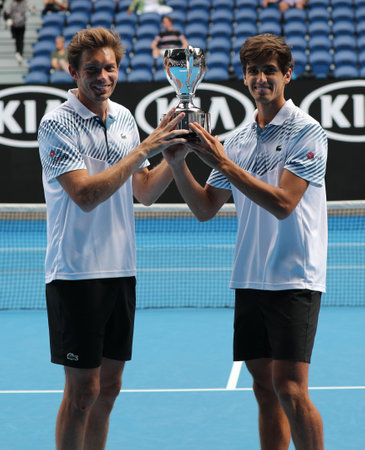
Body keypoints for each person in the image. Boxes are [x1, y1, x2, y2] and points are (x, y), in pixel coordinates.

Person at [164, 33, 327, 450]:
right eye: (253, 71)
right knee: (264, 389)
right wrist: (178, 164)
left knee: (291, 389)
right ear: (244, 77)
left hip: (294, 276)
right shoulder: (236, 141)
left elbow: (284, 203)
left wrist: (219, 161)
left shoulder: (306, 132)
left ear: (287, 75)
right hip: (250, 278)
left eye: (269, 71)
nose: (261, 79)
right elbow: (204, 208)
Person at [38, 27, 188, 450]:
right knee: (82, 392)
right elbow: (84, 195)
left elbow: (143, 192)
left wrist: (174, 156)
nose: (103, 76)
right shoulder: (56, 124)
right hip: (75, 273)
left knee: (110, 387)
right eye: (92, 70)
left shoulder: (123, 117)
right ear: (73, 72)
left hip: (121, 268)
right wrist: (147, 147)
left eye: (110, 68)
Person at [3, 0, 33, 65]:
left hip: (22, 25)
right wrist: (8, 19)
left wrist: (32, 9)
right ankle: (18, 51)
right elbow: (6, 13)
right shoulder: (12, 3)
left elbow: (31, 9)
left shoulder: (25, 3)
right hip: (14, 25)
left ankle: (19, 53)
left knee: (20, 39)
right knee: (16, 38)